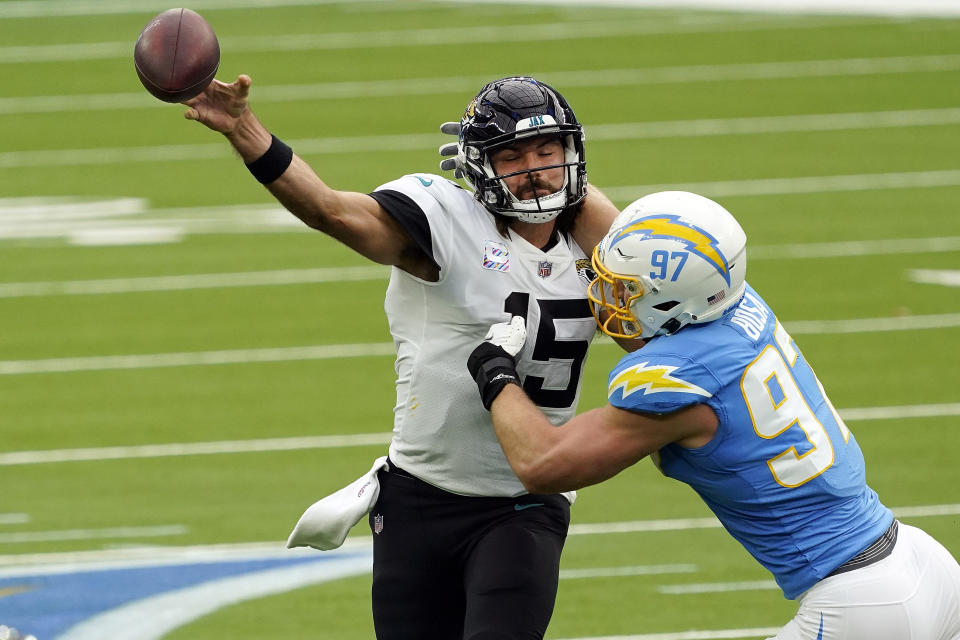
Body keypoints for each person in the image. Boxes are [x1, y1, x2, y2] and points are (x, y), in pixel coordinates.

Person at [182, 75, 620, 639]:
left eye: (547, 151)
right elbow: (331, 212)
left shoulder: (611, 249)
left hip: (524, 505)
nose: (534, 169)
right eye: (511, 156)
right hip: (419, 499)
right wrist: (246, 130)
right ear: (479, 165)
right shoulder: (448, 221)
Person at [467, 190, 960, 639]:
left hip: (863, 604)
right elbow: (639, 250)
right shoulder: (731, 302)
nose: (606, 293)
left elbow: (542, 465)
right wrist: (556, 178)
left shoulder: (676, 386)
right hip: (920, 561)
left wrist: (496, 374)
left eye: (623, 290)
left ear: (666, 303)